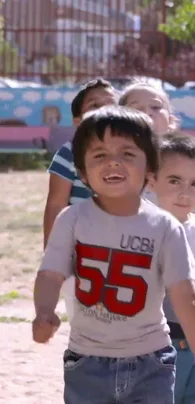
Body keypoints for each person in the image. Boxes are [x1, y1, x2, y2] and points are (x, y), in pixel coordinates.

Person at [32, 105, 195, 403]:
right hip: (86, 361)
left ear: (150, 171)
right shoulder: (72, 219)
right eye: (100, 155)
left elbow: (184, 293)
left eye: (127, 154)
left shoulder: (164, 227)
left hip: (151, 360)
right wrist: (44, 311)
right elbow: (50, 272)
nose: (113, 163)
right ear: (82, 172)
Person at [149, 132, 195, 403]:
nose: (185, 192)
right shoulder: (141, 229)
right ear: (152, 179)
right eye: (174, 180)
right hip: (157, 351)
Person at [42, 78, 117, 321]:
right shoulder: (69, 153)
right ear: (78, 122)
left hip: (122, 251)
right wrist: (53, 257)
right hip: (80, 254)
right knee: (84, 319)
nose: (104, 110)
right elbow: (55, 204)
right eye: (94, 106)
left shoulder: (133, 154)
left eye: (111, 104)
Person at [120, 81, 195, 229]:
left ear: (171, 121)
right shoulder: (113, 170)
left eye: (156, 107)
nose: (148, 112)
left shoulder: (191, 176)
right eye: (137, 108)